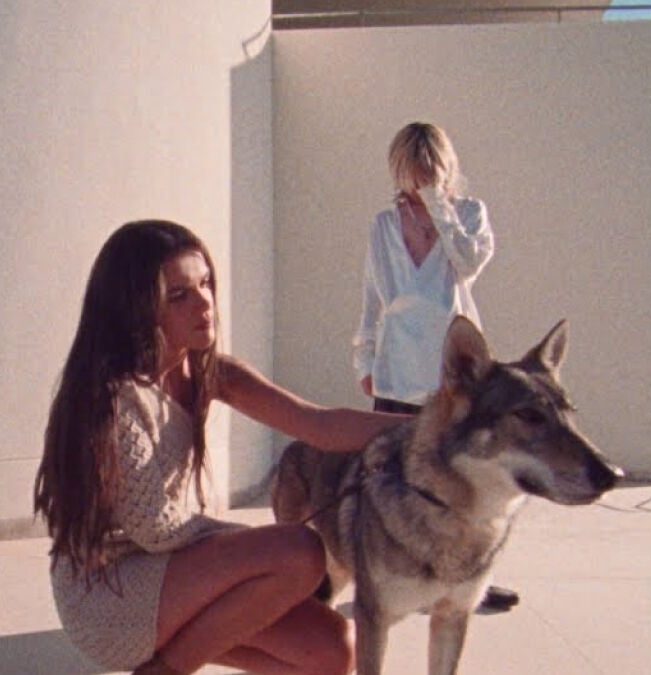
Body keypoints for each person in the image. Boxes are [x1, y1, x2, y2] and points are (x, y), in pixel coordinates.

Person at [34, 220, 406, 675]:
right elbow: (156, 530)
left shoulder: (211, 373)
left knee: (334, 651)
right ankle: (166, 671)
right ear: (136, 309)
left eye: (205, 283)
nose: (204, 303)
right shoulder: (115, 399)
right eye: (178, 295)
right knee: (298, 552)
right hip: (110, 594)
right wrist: (252, 551)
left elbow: (319, 425)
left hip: (171, 575)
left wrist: (434, 429)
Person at [351, 122, 517, 612]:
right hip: (396, 363)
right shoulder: (384, 224)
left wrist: (439, 207)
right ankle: (398, 576)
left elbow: (468, 263)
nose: (420, 178)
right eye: (412, 169)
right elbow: (373, 296)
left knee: (464, 476)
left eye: (429, 168)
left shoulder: (468, 214)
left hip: (453, 366)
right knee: (392, 479)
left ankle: (467, 576)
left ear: (445, 166)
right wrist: (364, 356)